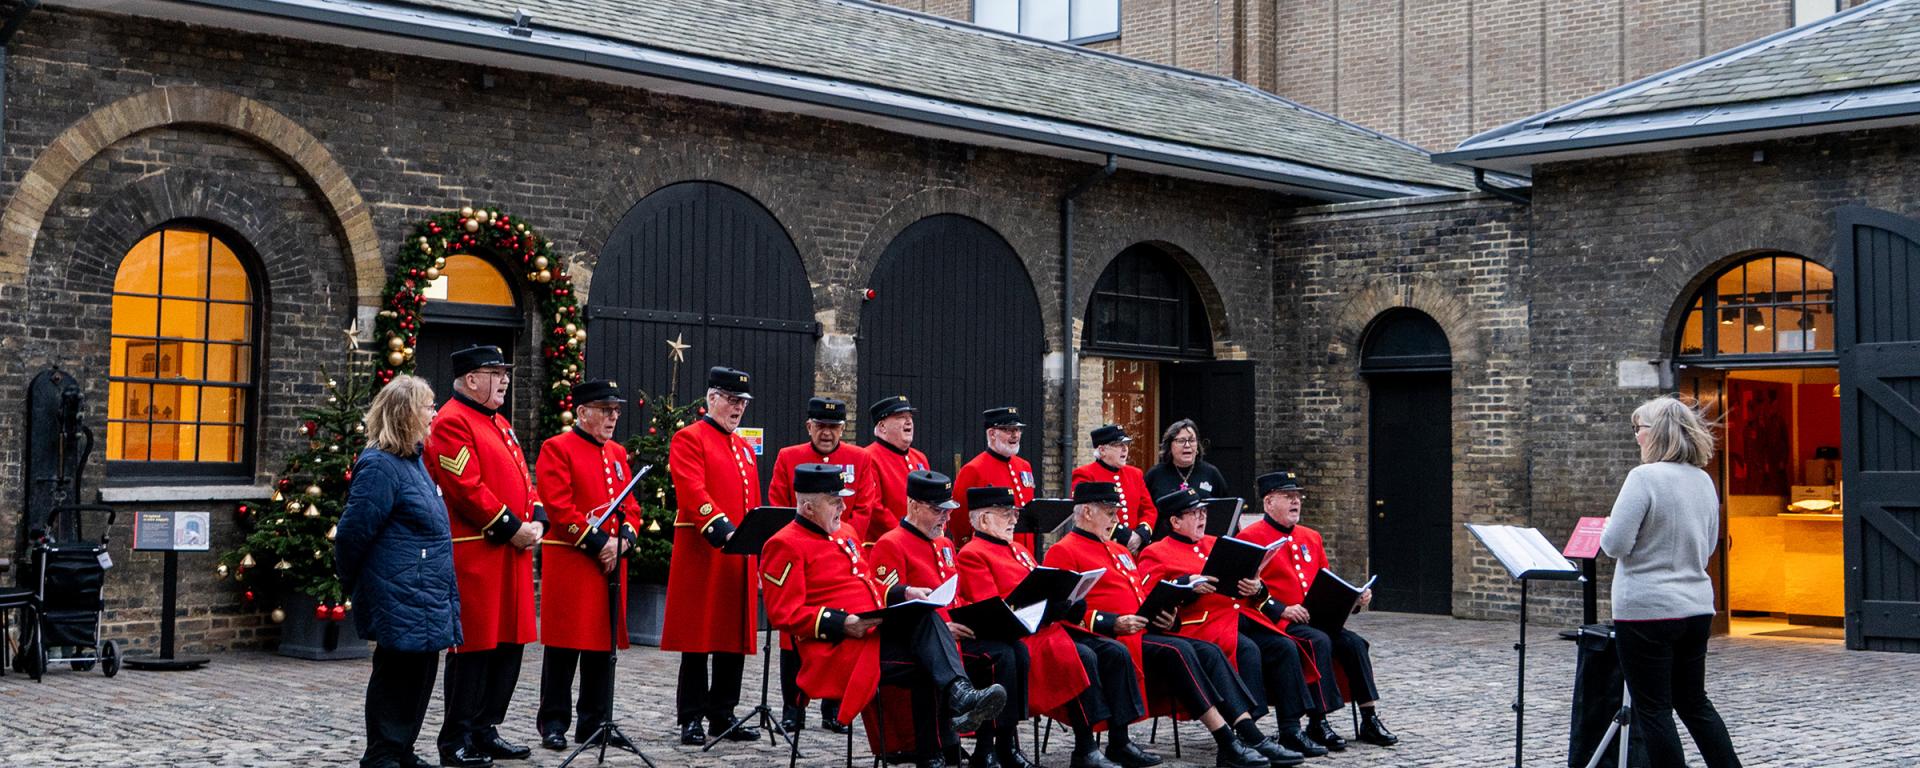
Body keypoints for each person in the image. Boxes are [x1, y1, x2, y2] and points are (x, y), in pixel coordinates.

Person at [760, 464, 1008, 768]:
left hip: (872, 634)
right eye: (834, 501)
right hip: (839, 649)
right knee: (928, 660)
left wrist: (903, 593)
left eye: (842, 499)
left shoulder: (845, 533)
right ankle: (938, 743)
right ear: (808, 507)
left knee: (926, 618)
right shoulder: (783, 544)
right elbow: (785, 613)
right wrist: (844, 623)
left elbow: (866, 583)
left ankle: (939, 742)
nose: (843, 506)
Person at [1045, 482, 1299, 768]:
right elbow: (1062, 609)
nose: (1116, 520)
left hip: (1141, 630)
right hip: (1111, 636)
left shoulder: (1119, 550)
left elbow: (1141, 597)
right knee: (1179, 652)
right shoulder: (1063, 551)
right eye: (1109, 512)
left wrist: (1166, 616)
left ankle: (1248, 732)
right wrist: (1111, 623)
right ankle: (1226, 740)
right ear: (1088, 513)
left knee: (1209, 652)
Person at [1600, 397, 1741, 768]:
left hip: (1646, 608)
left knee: (1654, 710)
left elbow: (1614, 544)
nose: (1636, 437)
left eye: (1639, 429)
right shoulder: (1703, 481)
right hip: (1695, 606)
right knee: (1694, 703)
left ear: (1656, 433)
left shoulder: (1642, 478)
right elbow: (1709, 545)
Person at [426, 345, 544, 768]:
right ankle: (455, 739)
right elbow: (466, 488)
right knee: (473, 650)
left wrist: (538, 518)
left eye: (504, 372)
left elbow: (523, 477)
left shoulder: (499, 423)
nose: (505, 380)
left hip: (510, 554)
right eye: (496, 372)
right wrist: (514, 529)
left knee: (508, 647)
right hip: (478, 553)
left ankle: (485, 728)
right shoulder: (451, 422)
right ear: (471, 379)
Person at [1138, 488, 1322, 759]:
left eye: (1203, 512)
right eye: (1193, 514)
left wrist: (1255, 586)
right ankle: (1251, 732)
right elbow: (1151, 597)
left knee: (1283, 646)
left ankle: (1291, 728)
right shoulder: (1157, 552)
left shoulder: (1215, 543)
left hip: (1237, 617)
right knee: (1247, 649)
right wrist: (1187, 586)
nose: (1202, 519)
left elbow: (1244, 581)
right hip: (1199, 624)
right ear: (1175, 522)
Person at [335, 375, 461, 768]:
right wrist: (358, 581)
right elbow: (353, 532)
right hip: (399, 592)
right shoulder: (379, 466)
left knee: (420, 674)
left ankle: (401, 748)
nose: (434, 414)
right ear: (406, 414)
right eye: (427, 406)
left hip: (424, 591)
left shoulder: (413, 462)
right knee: (397, 675)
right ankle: (382, 754)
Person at [955, 485, 1128, 768]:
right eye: (1006, 514)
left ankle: (1116, 741)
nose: (1014, 520)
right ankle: (1085, 747)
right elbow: (992, 607)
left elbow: (1040, 585)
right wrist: (1047, 607)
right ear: (984, 520)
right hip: (1020, 634)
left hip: (1045, 629)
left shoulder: (1020, 550)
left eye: (1014, 513)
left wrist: (1068, 599)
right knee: (1081, 656)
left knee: (1110, 651)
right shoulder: (973, 553)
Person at [870, 471, 1032, 768]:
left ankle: (997, 746)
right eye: (937, 510)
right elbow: (887, 606)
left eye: (948, 511)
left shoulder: (944, 545)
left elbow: (954, 596)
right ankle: (942, 749)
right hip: (915, 640)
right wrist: (943, 628)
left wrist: (975, 616)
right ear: (913, 505)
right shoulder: (891, 543)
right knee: (997, 657)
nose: (945, 518)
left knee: (1014, 650)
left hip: (955, 634)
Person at [1236, 471, 1396, 752]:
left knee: (1355, 644)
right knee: (1317, 641)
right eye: (1288, 497)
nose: (1296, 502)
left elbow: (1327, 582)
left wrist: (1355, 599)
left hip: (1315, 617)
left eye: (1298, 497)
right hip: (1278, 623)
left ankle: (1369, 717)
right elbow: (1245, 590)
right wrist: (1282, 610)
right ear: (1269, 501)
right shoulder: (1251, 537)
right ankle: (1318, 721)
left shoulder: (1311, 536)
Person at [532, 380, 641, 752]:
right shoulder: (557, 448)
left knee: (601, 646)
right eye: (605, 410)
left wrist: (624, 540)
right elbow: (560, 508)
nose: (613, 417)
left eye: (616, 410)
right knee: (564, 647)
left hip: (610, 563)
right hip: (574, 560)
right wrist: (601, 544)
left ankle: (594, 721)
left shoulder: (617, 453)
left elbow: (632, 509)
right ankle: (554, 722)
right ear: (582, 413)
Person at [664, 366, 763, 745]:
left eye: (742, 402)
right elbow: (692, 490)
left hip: (737, 553)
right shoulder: (690, 438)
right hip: (704, 549)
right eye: (732, 400)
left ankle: (723, 713)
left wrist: (752, 545)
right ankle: (691, 716)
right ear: (712, 399)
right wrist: (721, 530)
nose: (738, 408)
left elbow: (751, 500)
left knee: (731, 636)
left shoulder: (743, 448)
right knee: (698, 638)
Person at [768, 396, 877, 734]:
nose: (827, 433)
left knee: (852, 628)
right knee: (793, 641)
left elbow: (864, 506)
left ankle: (835, 710)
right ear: (809, 426)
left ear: (842, 429)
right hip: (803, 552)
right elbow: (779, 503)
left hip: (843, 553)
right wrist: (816, 541)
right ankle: (792, 708)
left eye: (834, 427)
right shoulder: (789, 457)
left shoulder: (859, 458)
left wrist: (841, 542)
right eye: (821, 426)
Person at [951, 407, 1037, 545]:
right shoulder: (974, 469)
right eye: (1008, 430)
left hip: (1024, 553)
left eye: (1018, 429)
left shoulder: (1024, 466)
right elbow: (959, 519)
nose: (1015, 435)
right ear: (992, 434)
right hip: (993, 552)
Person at [1071, 425, 1158, 552]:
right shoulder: (1085, 474)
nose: (1125, 449)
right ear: (1102, 450)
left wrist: (1140, 535)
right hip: (1102, 545)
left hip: (1134, 549)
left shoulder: (1135, 474)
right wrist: (1124, 535)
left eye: (1126, 444)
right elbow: (1085, 511)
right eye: (1118, 445)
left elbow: (1149, 509)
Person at [1144, 420, 1229, 539]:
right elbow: (1145, 511)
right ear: (1169, 445)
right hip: (1164, 544)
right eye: (1181, 441)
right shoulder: (1155, 475)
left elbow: (1226, 510)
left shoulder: (1211, 473)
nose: (1187, 445)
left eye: (1192, 440)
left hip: (1203, 544)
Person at [865, 394, 929, 542]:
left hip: (921, 542)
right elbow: (875, 509)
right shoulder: (868, 457)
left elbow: (931, 499)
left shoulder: (920, 458)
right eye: (900, 417)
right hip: (887, 544)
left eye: (910, 417)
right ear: (882, 426)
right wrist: (906, 534)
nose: (908, 421)